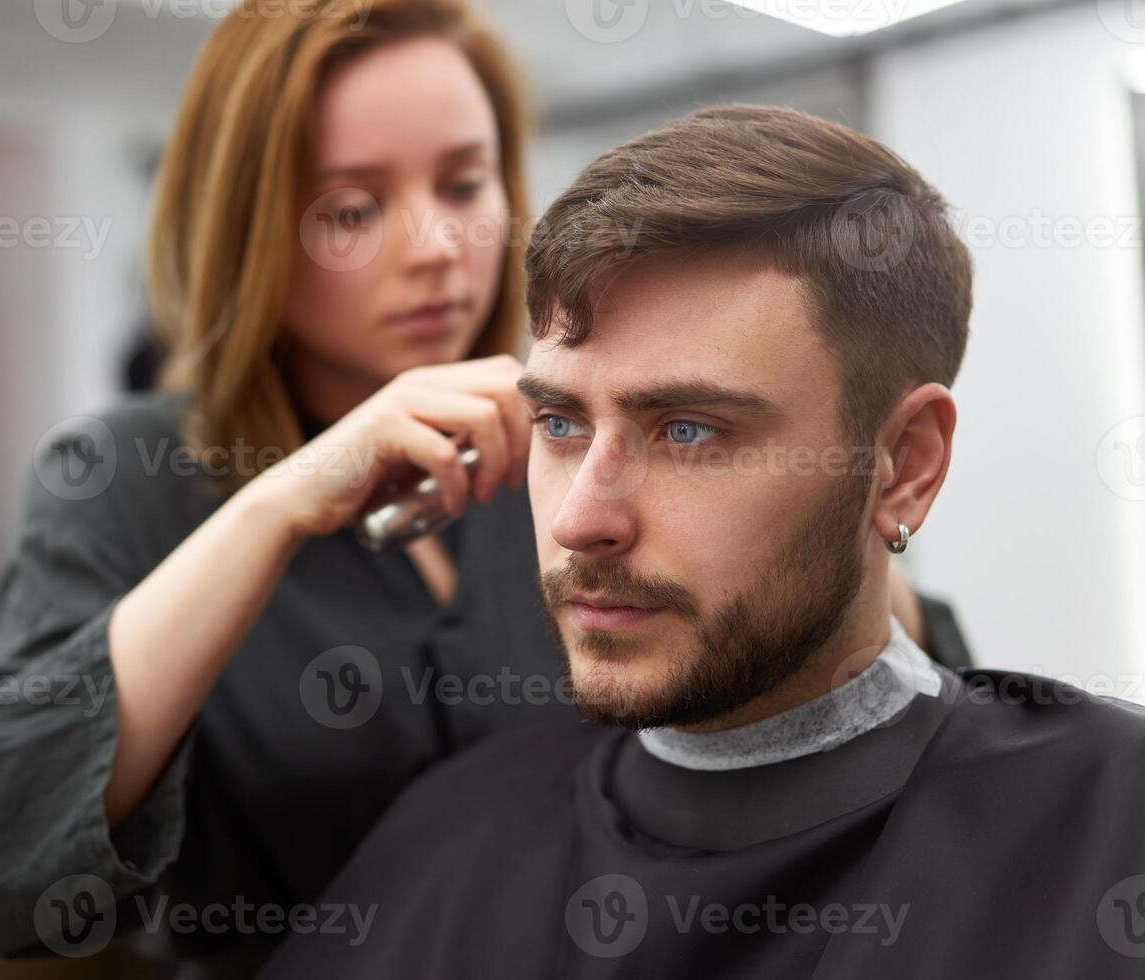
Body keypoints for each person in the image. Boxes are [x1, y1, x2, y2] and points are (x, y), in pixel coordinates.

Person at [0, 5, 971, 976]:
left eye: (463, 183)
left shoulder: (574, 451)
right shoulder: (131, 479)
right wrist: (279, 504)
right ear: (251, 227)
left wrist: (828, 519)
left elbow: (906, 701)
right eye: (352, 209)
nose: (440, 246)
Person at [259, 105, 1145, 979]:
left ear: (905, 465)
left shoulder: (1109, 827)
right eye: (561, 424)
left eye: (687, 431)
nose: (580, 520)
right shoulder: (450, 836)